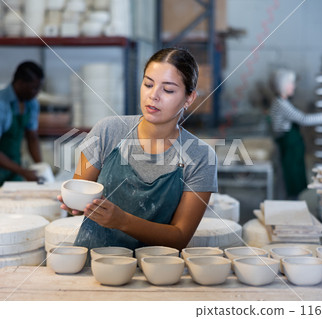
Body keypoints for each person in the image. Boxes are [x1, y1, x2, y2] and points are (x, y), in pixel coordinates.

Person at [59, 48, 218, 251]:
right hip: (94, 266)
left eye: (168, 90)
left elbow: (179, 237)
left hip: (157, 272)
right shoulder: (107, 130)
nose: (153, 95)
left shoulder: (201, 157)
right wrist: (75, 205)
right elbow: (81, 188)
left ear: (189, 98)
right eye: (148, 84)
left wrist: (122, 221)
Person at [269, 68, 322, 199]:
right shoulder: (281, 104)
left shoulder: (282, 102)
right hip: (289, 149)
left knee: (293, 181)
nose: (293, 86)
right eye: (291, 83)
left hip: (292, 148)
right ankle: (287, 210)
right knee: (289, 181)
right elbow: (303, 119)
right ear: (283, 85)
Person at [0, 61, 44, 197]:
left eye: (38, 88)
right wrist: (23, 172)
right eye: (33, 88)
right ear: (19, 83)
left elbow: (32, 137)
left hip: (13, 165)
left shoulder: (31, 103)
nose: (36, 93)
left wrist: (40, 167)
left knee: (13, 203)